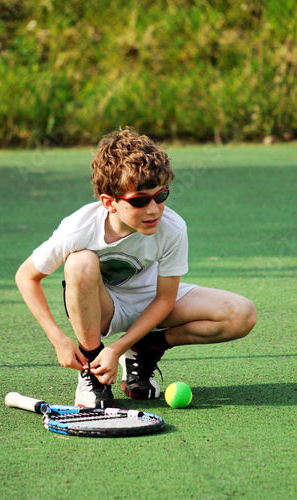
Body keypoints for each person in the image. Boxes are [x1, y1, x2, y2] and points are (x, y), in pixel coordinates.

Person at [15, 128, 257, 408]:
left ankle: (143, 350)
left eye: (161, 195)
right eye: (140, 200)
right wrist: (57, 338)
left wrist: (119, 346)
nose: (154, 209)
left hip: (152, 302)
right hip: (104, 308)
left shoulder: (172, 228)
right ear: (109, 202)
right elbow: (26, 276)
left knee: (241, 314)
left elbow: (165, 298)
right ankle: (92, 369)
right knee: (80, 262)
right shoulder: (79, 228)